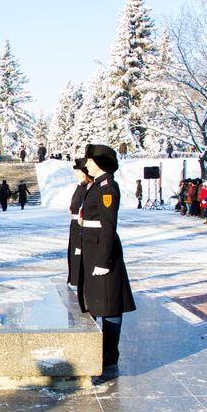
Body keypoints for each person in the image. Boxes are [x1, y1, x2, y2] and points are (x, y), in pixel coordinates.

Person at [76, 144, 136, 385]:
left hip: (102, 252)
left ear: (99, 162)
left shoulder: (107, 187)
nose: (86, 164)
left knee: (110, 304)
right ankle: (103, 352)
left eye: (89, 160)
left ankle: (110, 355)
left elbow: (109, 226)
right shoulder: (97, 185)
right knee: (98, 301)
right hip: (93, 249)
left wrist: (103, 259)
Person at [67, 159, 89, 287]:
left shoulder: (86, 187)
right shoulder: (80, 186)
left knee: (78, 251)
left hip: (80, 224)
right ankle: (74, 277)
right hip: (75, 223)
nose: (75, 173)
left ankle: (77, 277)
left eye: (78, 171)